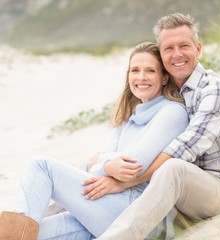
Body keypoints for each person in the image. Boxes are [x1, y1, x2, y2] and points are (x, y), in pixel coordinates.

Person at [0, 42, 189, 240]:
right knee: (29, 232)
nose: (141, 77)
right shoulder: (127, 118)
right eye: (135, 70)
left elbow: (132, 166)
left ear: (164, 77)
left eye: (150, 71)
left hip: (138, 212)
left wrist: (102, 162)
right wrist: (107, 165)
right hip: (104, 210)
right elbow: (107, 165)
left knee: (41, 167)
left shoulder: (172, 112)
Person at [98, 13, 220, 239]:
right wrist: (106, 164)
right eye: (168, 48)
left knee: (173, 167)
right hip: (175, 196)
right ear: (161, 53)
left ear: (198, 48)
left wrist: (128, 182)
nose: (177, 54)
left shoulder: (213, 89)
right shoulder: (167, 95)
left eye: (184, 46)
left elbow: (188, 146)